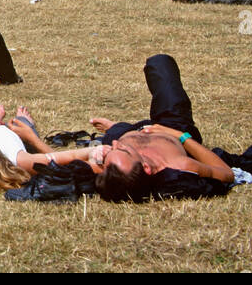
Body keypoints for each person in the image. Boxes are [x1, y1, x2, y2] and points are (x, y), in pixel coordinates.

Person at [91, 55, 236, 201]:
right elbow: (227, 174)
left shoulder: (110, 169)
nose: (115, 144)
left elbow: (69, 158)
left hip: (126, 132)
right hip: (171, 126)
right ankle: (117, 127)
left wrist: (95, 154)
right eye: (123, 150)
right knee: (159, 63)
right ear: (146, 167)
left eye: (113, 149)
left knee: (114, 134)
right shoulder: (180, 165)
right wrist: (179, 135)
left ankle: (114, 126)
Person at [0, 102, 101, 192]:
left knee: (4, 123)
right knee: (21, 124)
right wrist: (32, 137)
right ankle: (18, 122)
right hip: (11, 134)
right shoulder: (19, 159)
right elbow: (63, 158)